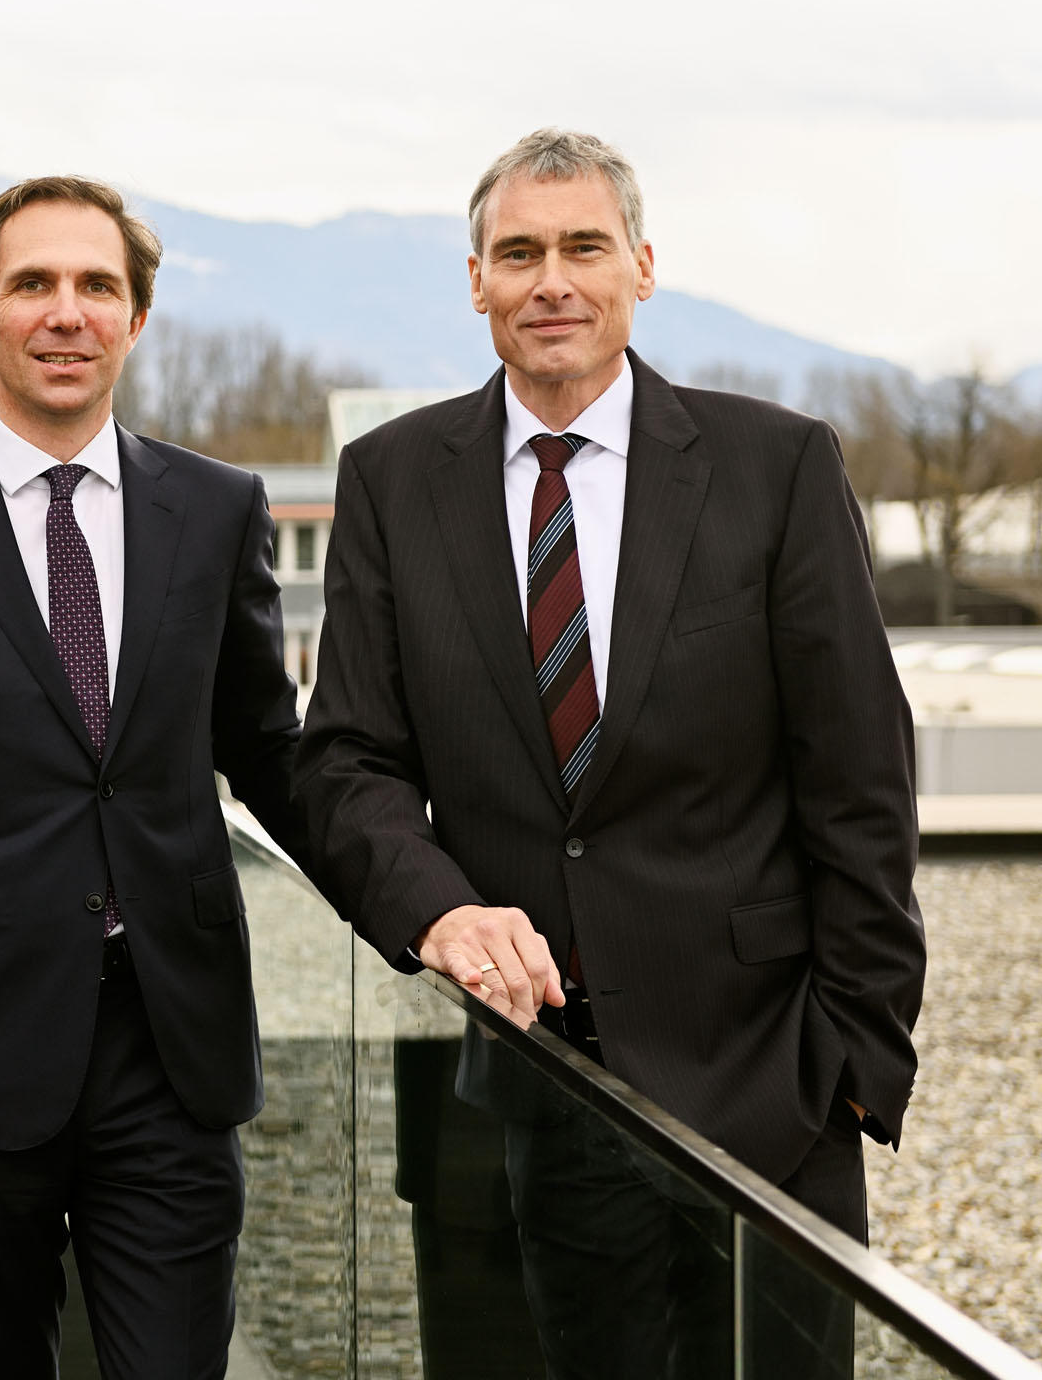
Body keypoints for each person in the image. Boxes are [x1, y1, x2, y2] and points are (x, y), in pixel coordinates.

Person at [293, 128, 925, 1376]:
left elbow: (860, 777)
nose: (553, 281)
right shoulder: (391, 478)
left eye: (584, 246)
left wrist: (858, 1056)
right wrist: (444, 911)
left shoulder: (775, 465)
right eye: (517, 252)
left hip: (767, 1089)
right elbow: (345, 761)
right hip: (511, 1087)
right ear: (474, 279)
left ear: (642, 264)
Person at [0, 175, 306, 1379]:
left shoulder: (220, 508)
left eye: (97, 285)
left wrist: (432, 903)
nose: (66, 311)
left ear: (138, 317)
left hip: (172, 1049)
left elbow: (275, 758)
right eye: (32, 283)